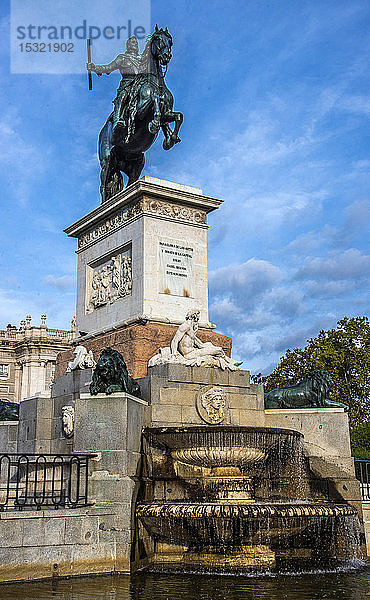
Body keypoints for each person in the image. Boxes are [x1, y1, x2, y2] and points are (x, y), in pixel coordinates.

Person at [87, 36, 143, 137]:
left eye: (136, 43)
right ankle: (117, 122)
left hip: (142, 84)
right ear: (128, 45)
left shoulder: (143, 59)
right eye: (132, 42)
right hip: (128, 84)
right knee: (122, 97)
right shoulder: (122, 58)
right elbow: (109, 68)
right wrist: (95, 67)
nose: (135, 44)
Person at [170, 310, 243, 369]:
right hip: (189, 354)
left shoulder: (191, 330)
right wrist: (174, 355)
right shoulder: (185, 326)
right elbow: (174, 340)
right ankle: (230, 361)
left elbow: (200, 345)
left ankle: (229, 361)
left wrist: (209, 346)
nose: (198, 321)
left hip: (193, 351)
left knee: (209, 344)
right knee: (219, 350)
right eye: (198, 319)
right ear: (195, 318)